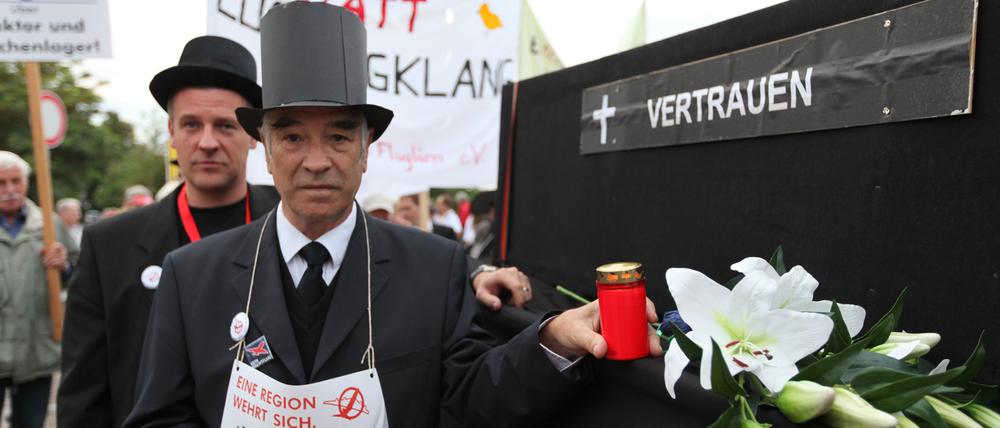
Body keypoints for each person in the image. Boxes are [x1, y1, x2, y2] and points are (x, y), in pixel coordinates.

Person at [124, 4, 660, 426]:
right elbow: (159, 416)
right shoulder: (192, 275)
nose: (315, 161)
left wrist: (550, 343)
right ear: (264, 147)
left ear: (366, 149)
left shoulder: (435, 267)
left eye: (338, 136)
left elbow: (471, 401)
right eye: (291, 137)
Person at [58, 36, 280, 428]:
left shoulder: (294, 224)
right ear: (171, 132)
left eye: (225, 125)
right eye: (191, 124)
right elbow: (84, 395)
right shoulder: (109, 245)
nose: (207, 142)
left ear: (254, 134)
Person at [0, 151, 78, 428]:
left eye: (16, 181)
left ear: (27, 183)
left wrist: (64, 266)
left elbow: (81, 276)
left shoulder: (49, 224)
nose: (10, 190)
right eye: (2, 183)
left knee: (30, 423)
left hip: (37, 349)